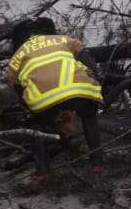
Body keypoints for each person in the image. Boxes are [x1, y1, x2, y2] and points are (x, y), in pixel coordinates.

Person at [6, 17, 105, 175]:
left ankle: (42, 170)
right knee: (88, 115)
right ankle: (97, 163)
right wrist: (95, 87)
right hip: (80, 89)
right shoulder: (65, 40)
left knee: (37, 126)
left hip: (42, 100)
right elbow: (91, 65)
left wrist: (32, 111)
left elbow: (19, 90)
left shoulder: (16, 57)